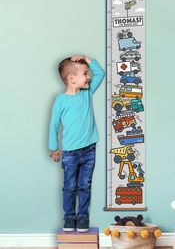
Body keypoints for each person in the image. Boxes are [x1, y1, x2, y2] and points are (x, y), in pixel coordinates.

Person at [48, 55, 104, 232]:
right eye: (85, 74)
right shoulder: (60, 100)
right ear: (71, 79)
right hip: (70, 153)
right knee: (70, 187)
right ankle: (69, 218)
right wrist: (54, 147)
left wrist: (88, 59)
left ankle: (82, 218)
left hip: (89, 150)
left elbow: (100, 73)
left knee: (85, 186)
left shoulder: (87, 94)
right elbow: (54, 125)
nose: (89, 77)